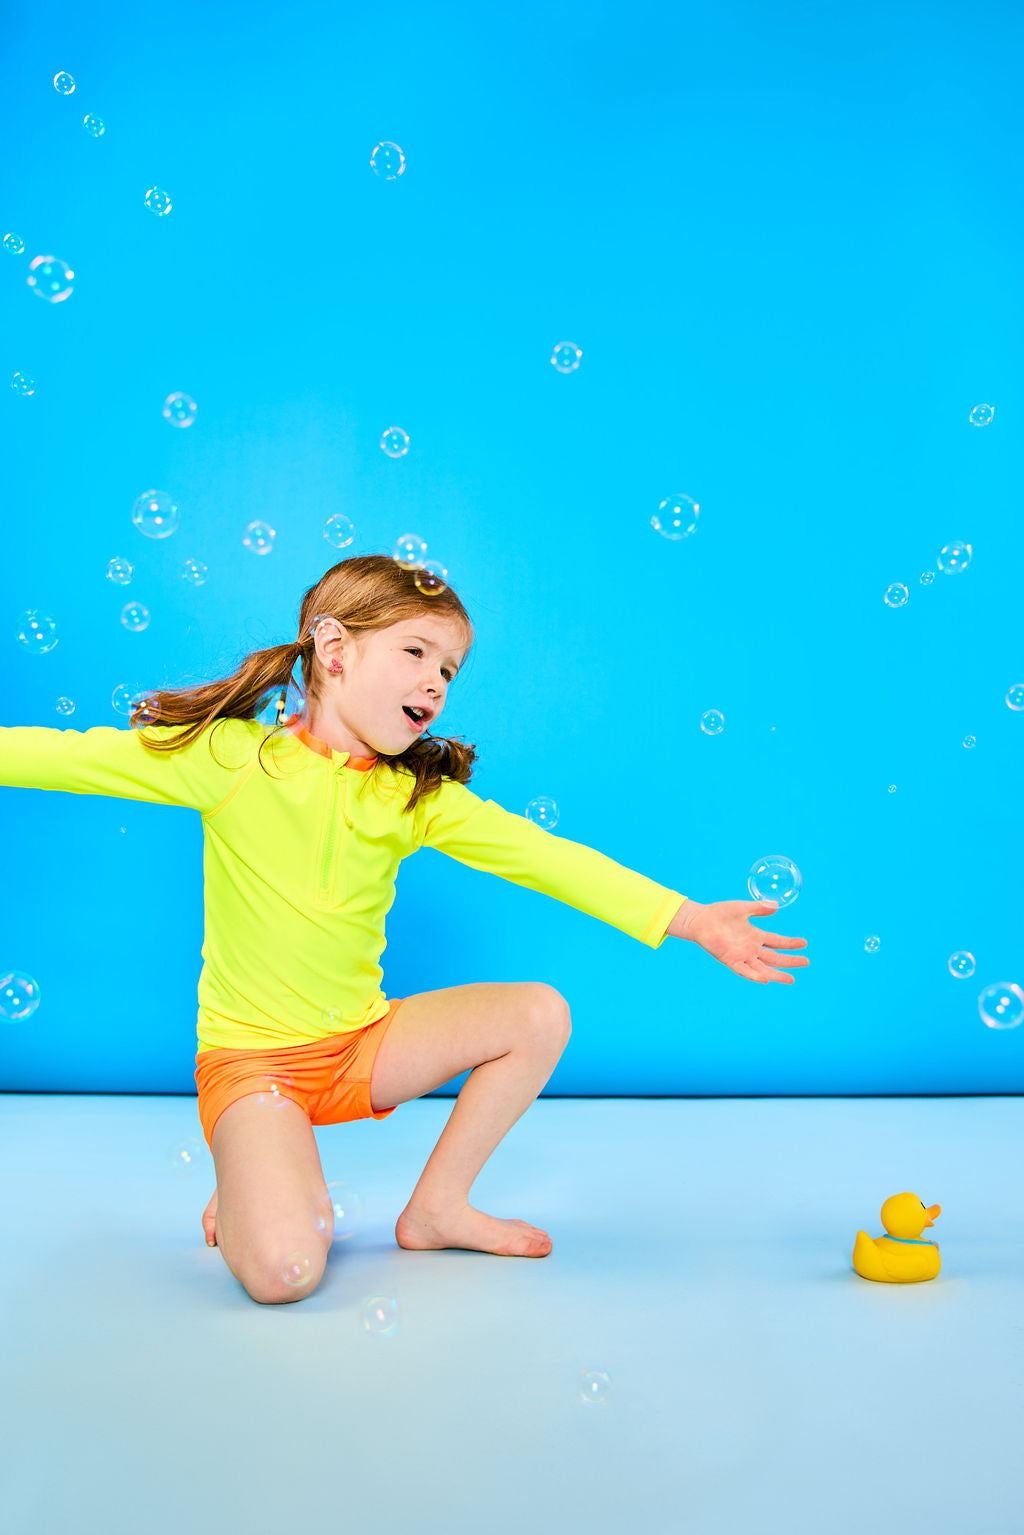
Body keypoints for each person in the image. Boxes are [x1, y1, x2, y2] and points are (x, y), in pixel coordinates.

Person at [0, 552, 808, 1305]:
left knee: (539, 1013)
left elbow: (547, 857)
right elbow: (64, 755)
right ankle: (257, 1165)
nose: (437, 684)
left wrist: (692, 919)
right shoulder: (229, 760)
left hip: (363, 1046)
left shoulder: (413, 796)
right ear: (334, 648)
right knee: (285, 1272)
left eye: (450, 668)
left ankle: (437, 1207)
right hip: (254, 1064)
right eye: (417, 653)